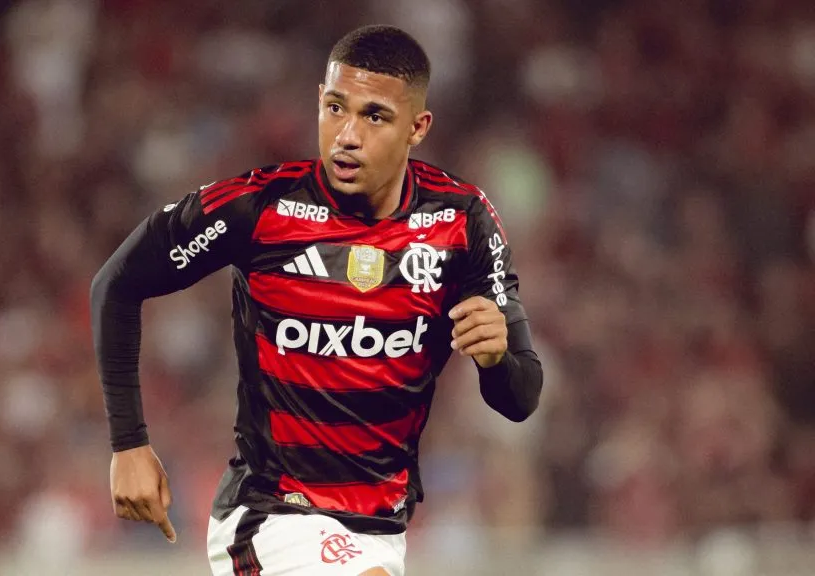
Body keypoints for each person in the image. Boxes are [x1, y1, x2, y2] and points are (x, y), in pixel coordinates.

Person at [90, 24, 543, 576]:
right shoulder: (259, 207)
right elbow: (116, 283)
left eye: (374, 116)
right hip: (272, 514)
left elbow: (520, 398)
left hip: (380, 533)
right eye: (335, 108)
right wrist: (129, 445)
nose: (347, 135)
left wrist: (496, 358)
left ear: (417, 127)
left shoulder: (462, 222)